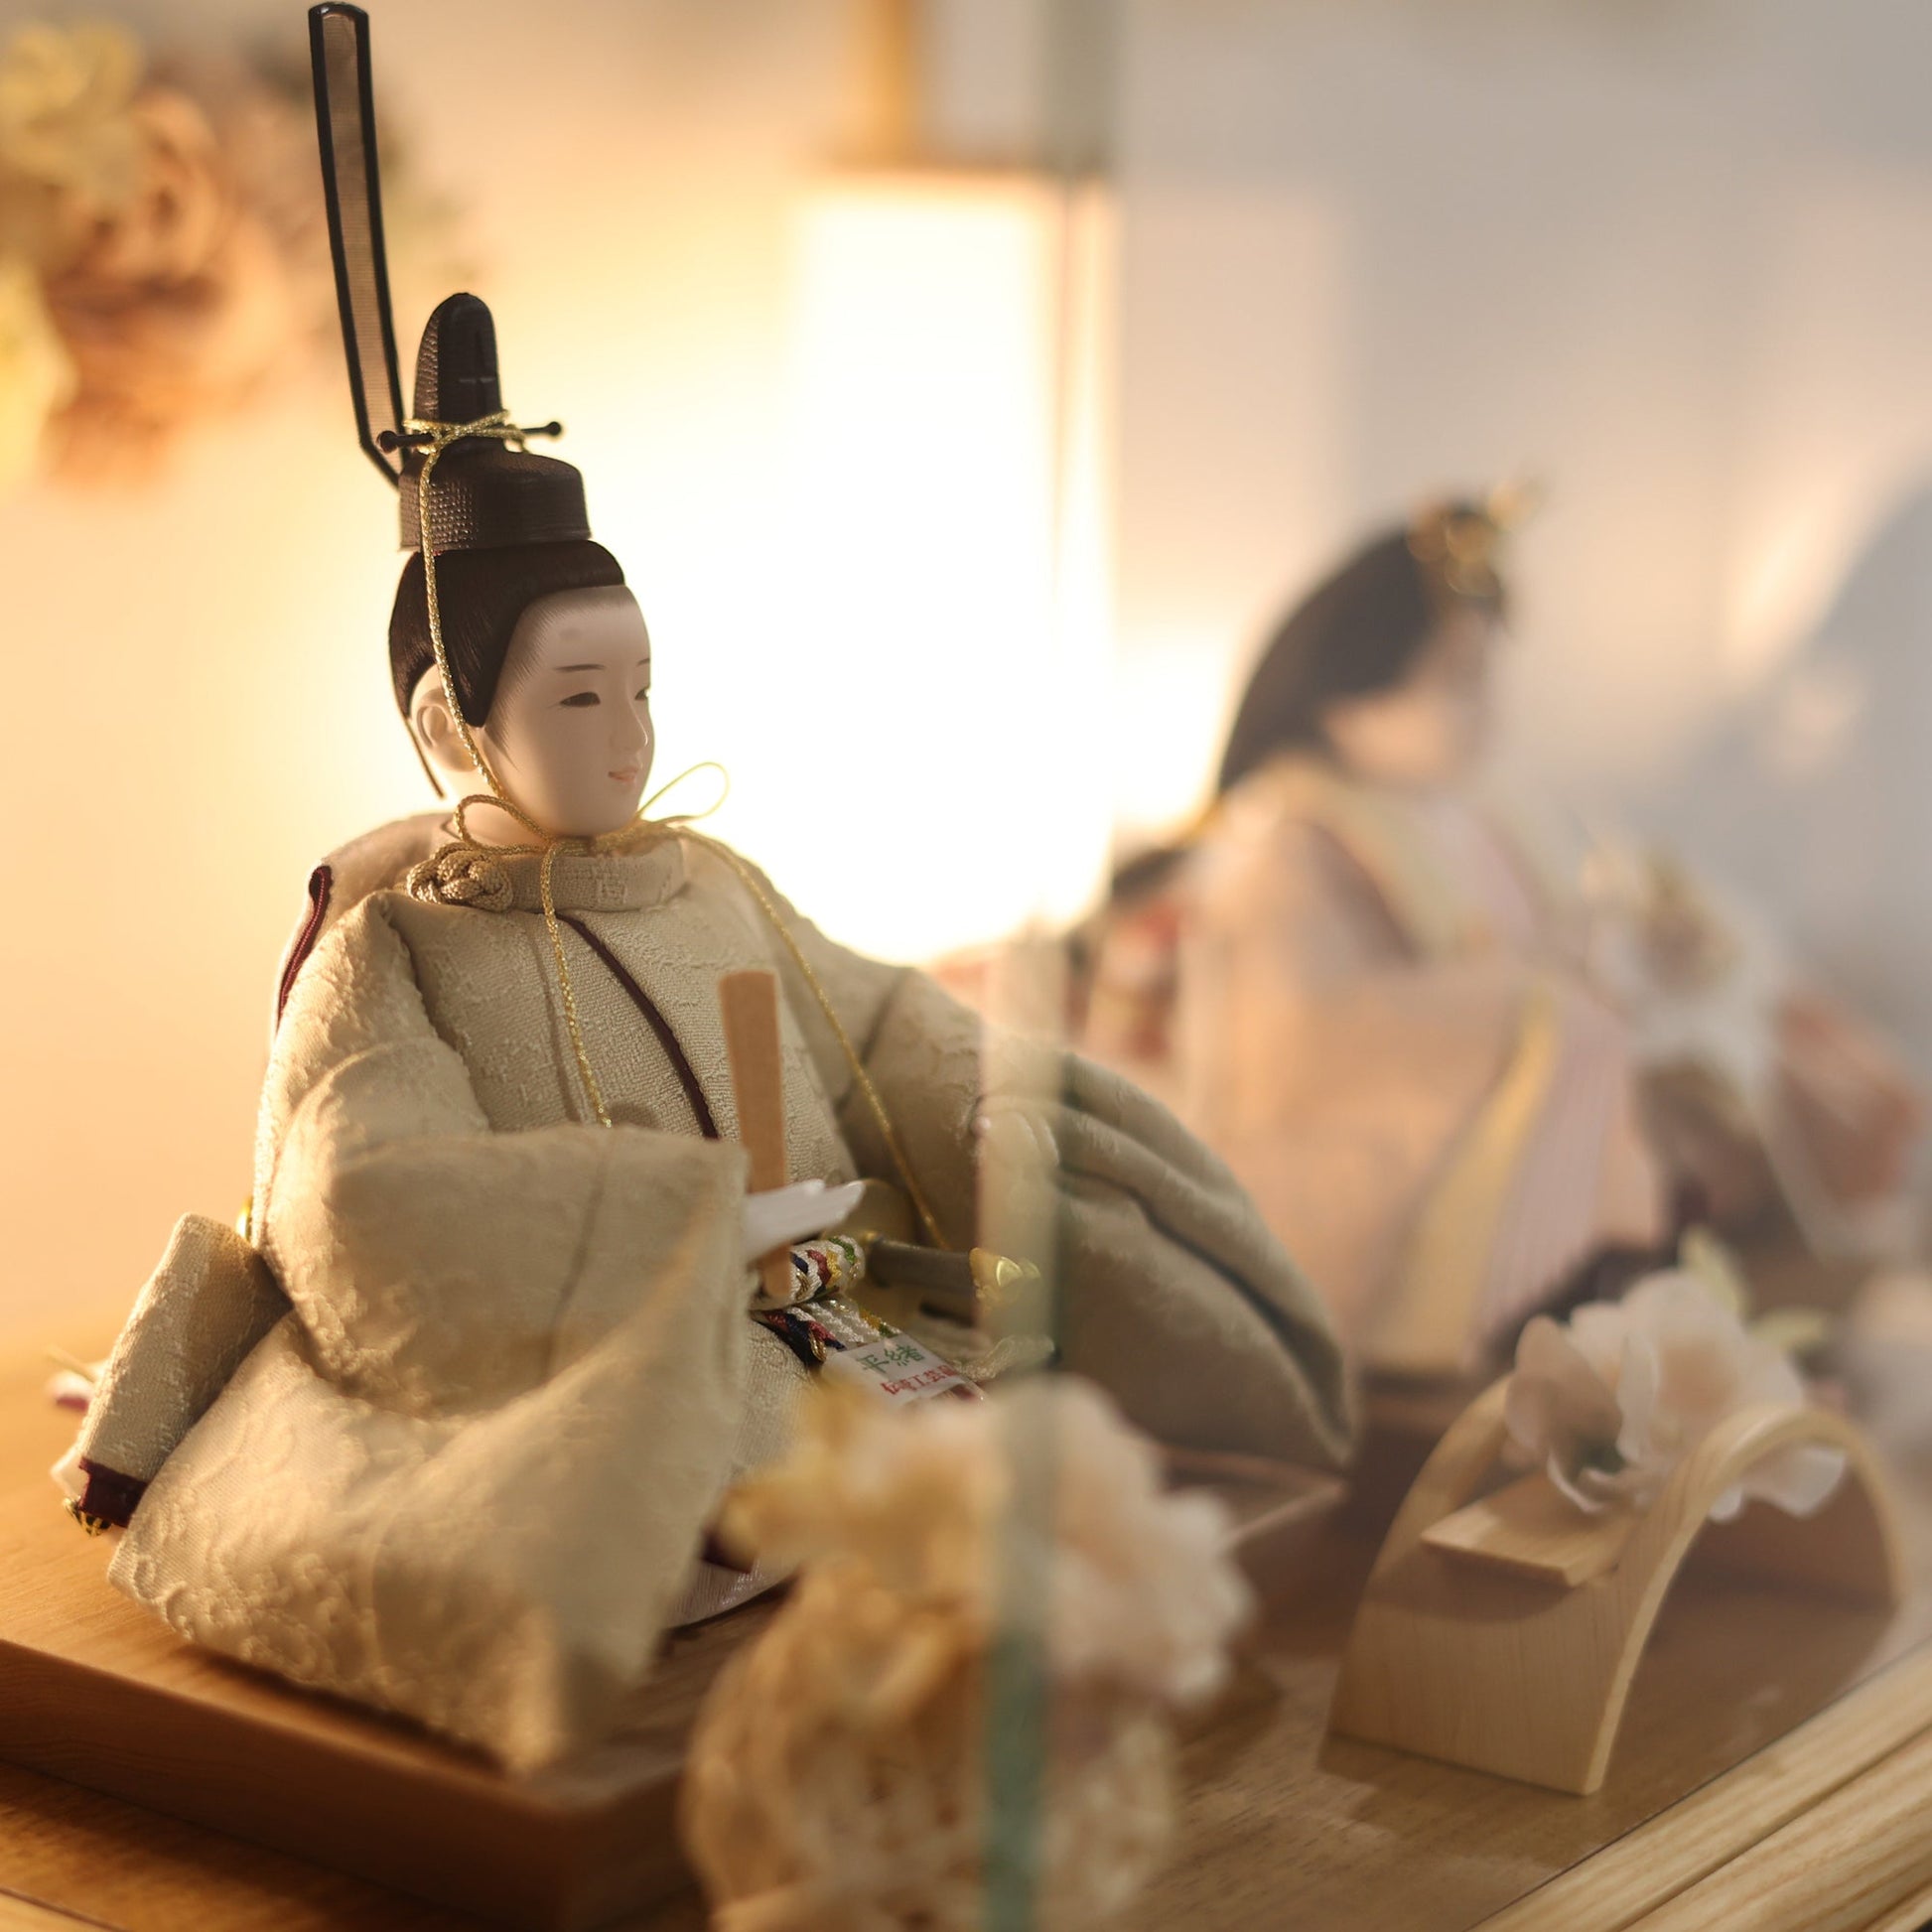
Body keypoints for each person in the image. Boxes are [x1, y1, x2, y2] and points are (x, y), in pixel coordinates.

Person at [52, 15, 1350, 1776]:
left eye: (642, 688)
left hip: (829, 1307)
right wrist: (673, 1229)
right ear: (448, 722)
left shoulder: (713, 880)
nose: (630, 737)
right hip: (611, 1352)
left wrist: (977, 1102)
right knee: (671, 1496)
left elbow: (870, 1007)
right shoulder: (396, 953)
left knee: (1025, 1390)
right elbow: (362, 1200)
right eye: (579, 698)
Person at [1083, 497, 1919, 1377]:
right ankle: (1573, 1304)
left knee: (1755, 1031)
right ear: (1346, 693)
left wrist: (1643, 946)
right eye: (1454, 681)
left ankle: (1797, 1255)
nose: (1482, 709)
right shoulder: (1293, 846)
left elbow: (1569, 923)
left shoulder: (1483, 818)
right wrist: (1529, 995)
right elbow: (1305, 1030)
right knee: (1597, 1040)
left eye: (1485, 678)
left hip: (1564, 1045)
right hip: (1423, 1094)